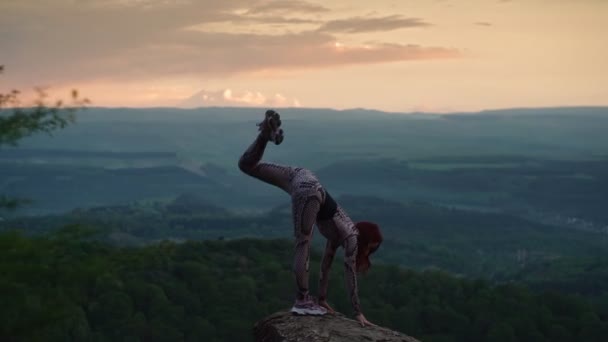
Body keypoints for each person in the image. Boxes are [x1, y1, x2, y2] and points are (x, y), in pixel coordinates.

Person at [238, 109, 383, 327]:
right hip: (311, 191)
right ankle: (302, 300)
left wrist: (323, 300)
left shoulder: (339, 234)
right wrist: (358, 313)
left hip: (302, 176)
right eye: (371, 248)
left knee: (247, 165)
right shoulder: (352, 236)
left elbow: (325, 267)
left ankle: (265, 136)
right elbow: (349, 275)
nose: (368, 252)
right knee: (303, 243)